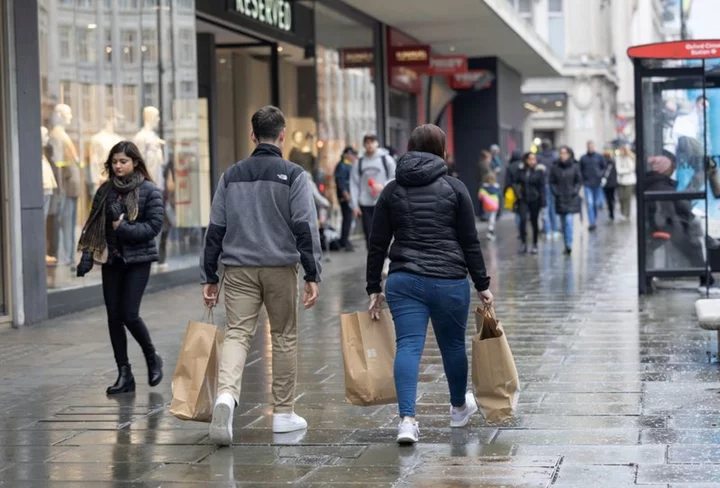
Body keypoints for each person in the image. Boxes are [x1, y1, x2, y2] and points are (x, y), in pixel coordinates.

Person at [201, 106, 323, 445]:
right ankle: (283, 414)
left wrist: (209, 276)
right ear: (282, 135)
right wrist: (312, 273)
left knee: (238, 334)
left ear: (252, 135)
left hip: (238, 268)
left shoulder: (230, 176)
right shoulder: (294, 174)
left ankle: (226, 397)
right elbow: (304, 227)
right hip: (280, 267)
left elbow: (215, 230)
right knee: (283, 335)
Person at [365, 124, 494, 445]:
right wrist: (482, 283)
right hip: (449, 280)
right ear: (442, 150)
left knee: (408, 347)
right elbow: (470, 241)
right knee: (452, 346)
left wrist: (373, 288)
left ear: (409, 148)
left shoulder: (392, 189)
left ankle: (407, 421)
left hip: (403, 280)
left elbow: (377, 243)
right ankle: (458, 408)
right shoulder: (455, 188)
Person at [76, 141, 164, 395]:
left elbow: (153, 228)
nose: (118, 166)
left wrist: (122, 227)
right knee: (114, 318)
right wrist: (87, 255)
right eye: (114, 162)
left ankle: (152, 357)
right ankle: (125, 374)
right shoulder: (105, 191)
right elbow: (92, 225)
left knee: (129, 314)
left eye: (123, 161)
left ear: (135, 162)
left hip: (138, 261)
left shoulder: (149, 191)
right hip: (112, 261)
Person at [350, 134, 396, 247]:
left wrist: (383, 186)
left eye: (372, 142)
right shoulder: (359, 163)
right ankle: (373, 258)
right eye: (367, 142)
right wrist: (355, 205)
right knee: (369, 233)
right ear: (364, 145)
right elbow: (354, 184)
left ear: (377, 143)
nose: (369, 145)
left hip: (383, 202)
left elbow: (395, 178)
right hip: (365, 204)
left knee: (383, 232)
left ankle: (384, 255)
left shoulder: (386, 160)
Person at [550, 146, 583, 255]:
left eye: (564, 153)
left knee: (569, 221)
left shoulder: (575, 166)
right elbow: (552, 182)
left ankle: (569, 244)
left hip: (571, 197)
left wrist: (575, 191)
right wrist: (556, 192)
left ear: (569, 154)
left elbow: (579, 180)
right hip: (560, 198)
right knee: (563, 223)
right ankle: (566, 243)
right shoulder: (555, 167)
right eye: (561, 153)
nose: (562, 155)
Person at [514, 152, 546, 254]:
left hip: (535, 199)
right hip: (523, 199)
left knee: (534, 221)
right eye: (530, 159)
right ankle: (523, 243)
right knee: (522, 220)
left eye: (534, 159)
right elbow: (514, 182)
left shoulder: (539, 171)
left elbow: (542, 187)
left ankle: (535, 244)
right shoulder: (521, 170)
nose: (532, 161)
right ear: (526, 160)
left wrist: (543, 201)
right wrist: (518, 193)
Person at [334, 146, 358, 252]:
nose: (354, 157)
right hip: (345, 197)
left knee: (348, 219)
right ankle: (344, 241)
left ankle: (345, 239)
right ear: (347, 155)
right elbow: (341, 183)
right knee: (347, 218)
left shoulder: (348, 165)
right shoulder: (342, 166)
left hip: (349, 196)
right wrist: (347, 196)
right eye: (352, 154)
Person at [579, 141, 606, 231]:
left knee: (595, 203)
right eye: (589, 147)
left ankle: (594, 219)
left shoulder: (599, 157)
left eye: (592, 147)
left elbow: (604, 167)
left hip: (597, 183)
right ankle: (592, 222)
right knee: (590, 203)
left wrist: (600, 175)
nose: (590, 148)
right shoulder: (583, 158)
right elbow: (580, 170)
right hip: (587, 184)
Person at [538, 140, 559, 238]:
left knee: (545, 207)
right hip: (553, 184)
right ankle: (554, 229)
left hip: (544, 184)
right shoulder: (555, 157)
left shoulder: (539, 157)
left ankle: (547, 230)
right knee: (553, 207)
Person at [504, 150, 524, 239]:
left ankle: (520, 230)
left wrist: (505, 192)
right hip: (523, 191)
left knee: (517, 212)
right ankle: (523, 229)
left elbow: (507, 181)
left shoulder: (510, 166)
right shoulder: (523, 165)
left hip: (513, 192)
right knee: (523, 211)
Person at [616, 144, 636, 221]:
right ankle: (622, 212)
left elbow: (631, 168)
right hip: (621, 181)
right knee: (621, 197)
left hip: (629, 181)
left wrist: (625, 169)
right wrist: (626, 170)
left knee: (627, 198)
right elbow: (619, 170)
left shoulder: (630, 157)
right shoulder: (618, 158)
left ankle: (627, 214)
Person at [479, 173, 501, 241]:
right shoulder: (497, 187)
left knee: (489, 218)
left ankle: (490, 231)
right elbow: (500, 196)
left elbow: (480, 197)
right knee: (492, 218)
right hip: (494, 205)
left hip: (486, 205)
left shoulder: (483, 187)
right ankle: (490, 231)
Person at [601, 149, 618, 222]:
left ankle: (610, 212)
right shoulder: (613, 162)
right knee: (612, 197)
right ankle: (612, 209)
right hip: (613, 183)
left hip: (606, 184)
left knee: (608, 198)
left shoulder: (602, 162)